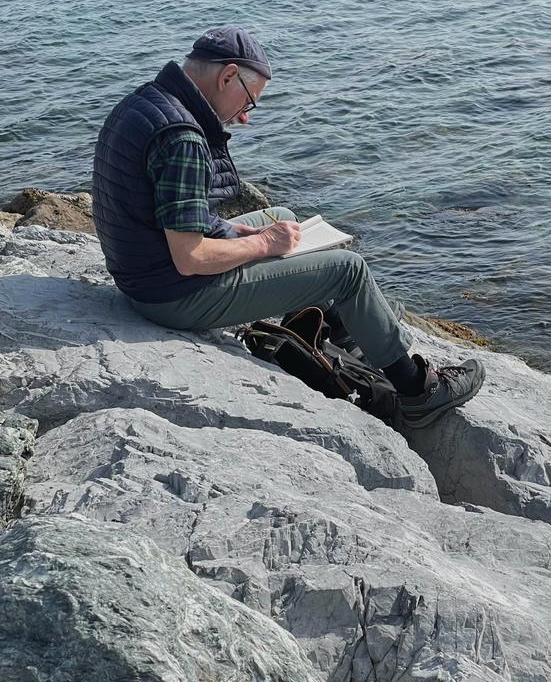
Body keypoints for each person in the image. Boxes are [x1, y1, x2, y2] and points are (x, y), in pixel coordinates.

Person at [92, 26, 486, 428]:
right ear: (228, 76)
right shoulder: (183, 139)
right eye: (249, 100)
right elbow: (190, 257)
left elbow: (160, 212)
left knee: (281, 217)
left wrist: (237, 232)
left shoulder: (146, 102)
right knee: (348, 270)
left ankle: (346, 326)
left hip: (144, 273)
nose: (244, 116)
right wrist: (262, 245)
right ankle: (419, 390)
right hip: (171, 295)